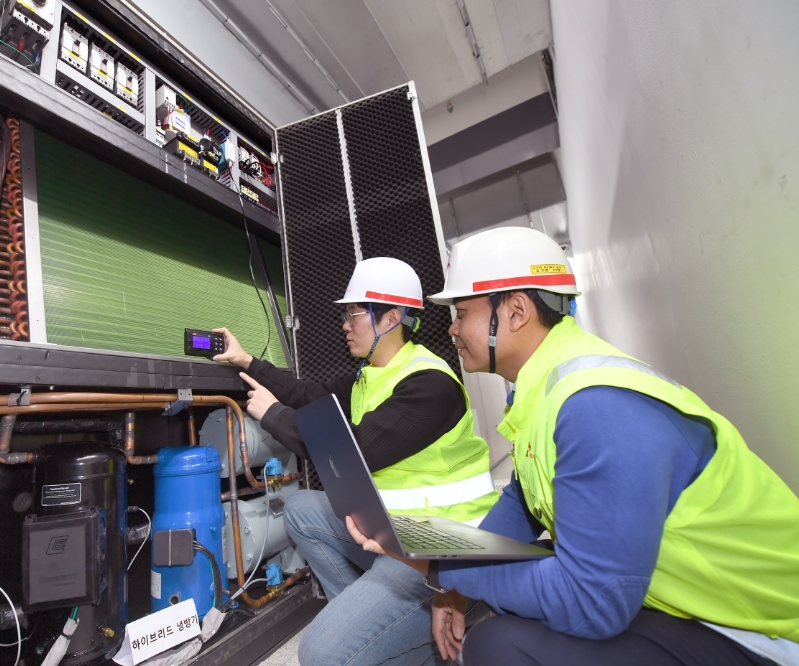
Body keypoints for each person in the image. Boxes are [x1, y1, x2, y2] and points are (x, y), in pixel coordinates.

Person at [346, 227, 799, 666]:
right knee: (505, 611)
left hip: (761, 632)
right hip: (686, 602)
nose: (452, 329)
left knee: (499, 646)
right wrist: (455, 583)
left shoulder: (596, 407)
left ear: (516, 311)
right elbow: (515, 515)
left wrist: (433, 564)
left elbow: (592, 604)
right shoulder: (548, 389)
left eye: (461, 312)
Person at [213, 256, 498, 666]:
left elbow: (351, 448)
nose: (345, 324)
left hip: (444, 549)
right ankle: (373, 636)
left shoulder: (431, 385)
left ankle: (390, 642)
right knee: (301, 509)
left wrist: (273, 415)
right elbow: (307, 394)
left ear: (391, 317)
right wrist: (246, 362)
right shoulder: (369, 376)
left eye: (354, 314)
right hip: (395, 535)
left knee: (319, 652)